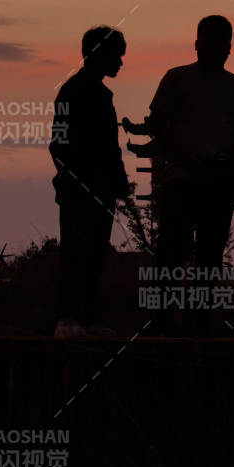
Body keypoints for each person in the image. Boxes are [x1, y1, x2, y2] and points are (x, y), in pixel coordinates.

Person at [145, 15, 234, 333]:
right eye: (208, 39)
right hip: (181, 181)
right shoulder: (176, 79)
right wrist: (186, 153)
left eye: (220, 41)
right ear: (196, 44)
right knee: (169, 255)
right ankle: (160, 323)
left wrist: (233, 165)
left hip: (219, 186)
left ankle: (198, 323)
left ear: (229, 48)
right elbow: (158, 123)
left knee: (208, 259)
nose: (213, 46)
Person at [49, 25, 133, 338]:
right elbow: (58, 144)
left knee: (94, 254)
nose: (121, 63)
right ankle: (67, 318)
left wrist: (117, 181)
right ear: (99, 54)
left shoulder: (98, 94)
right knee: (75, 252)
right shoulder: (73, 92)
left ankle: (86, 318)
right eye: (117, 55)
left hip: (101, 189)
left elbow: (110, 148)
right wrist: (73, 177)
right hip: (80, 190)